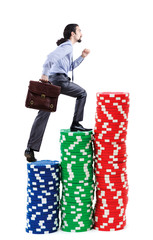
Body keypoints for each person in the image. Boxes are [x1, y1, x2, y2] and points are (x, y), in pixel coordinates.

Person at [25, 23, 92, 162]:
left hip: (55, 80)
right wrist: (44, 73)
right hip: (60, 81)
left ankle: (30, 149)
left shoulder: (67, 48)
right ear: (72, 33)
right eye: (79, 30)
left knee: (43, 113)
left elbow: (69, 67)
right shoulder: (67, 46)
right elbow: (50, 58)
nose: (81, 33)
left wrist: (82, 57)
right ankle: (76, 124)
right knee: (82, 93)